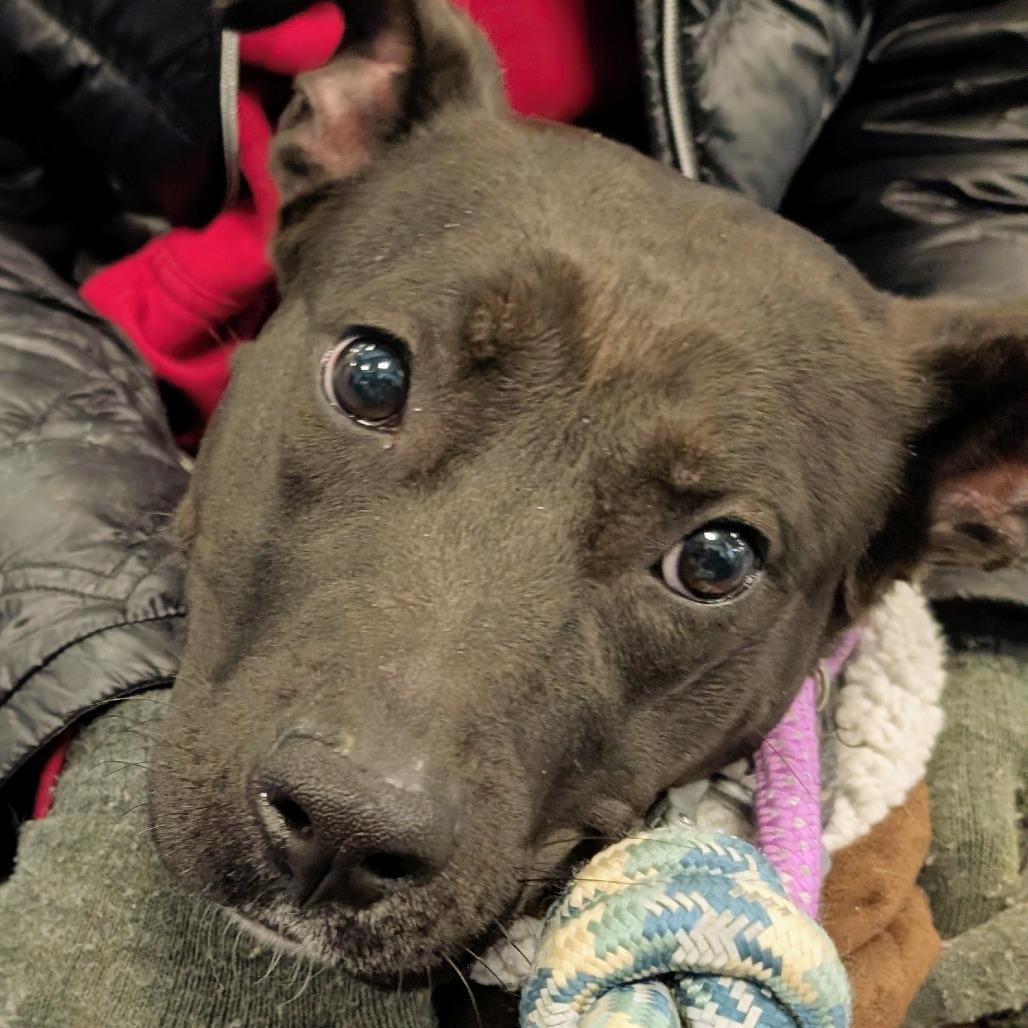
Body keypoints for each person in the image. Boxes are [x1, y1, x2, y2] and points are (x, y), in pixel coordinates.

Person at [0, 1, 1025, 1025]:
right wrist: (93, 645)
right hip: (84, 433)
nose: (370, 798)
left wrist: (999, 652)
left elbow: (958, 148)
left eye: (708, 559)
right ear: (341, 128)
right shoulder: (404, 185)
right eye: (373, 383)